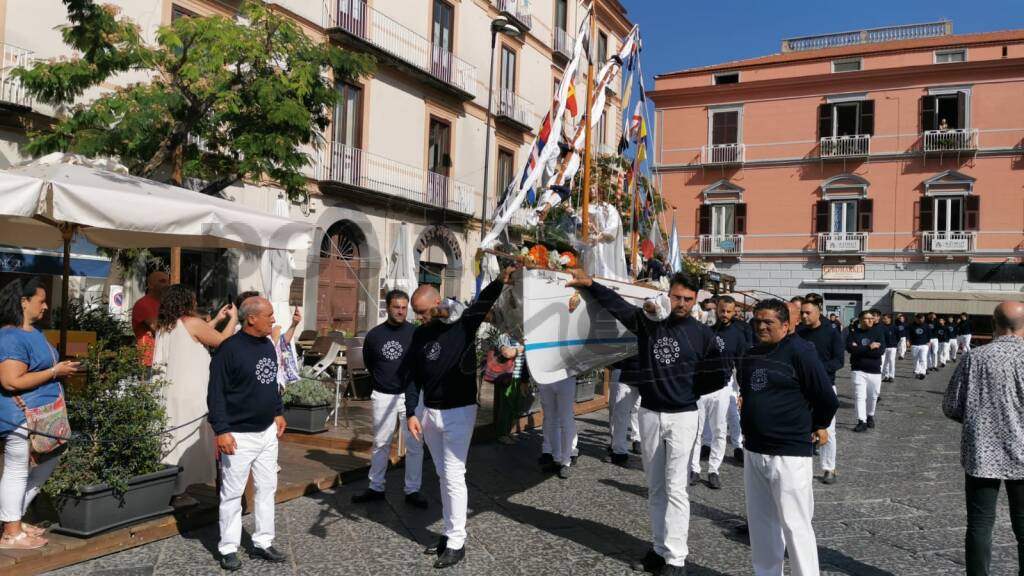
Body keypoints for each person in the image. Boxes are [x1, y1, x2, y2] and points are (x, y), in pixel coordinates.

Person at [567, 269, 726, 575]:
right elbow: (617, 305)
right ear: (670, 295)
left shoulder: (703, 334)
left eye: (688, 299)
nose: (681, 303)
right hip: (650, 413)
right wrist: (589, 284)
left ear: (695, 301)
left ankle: (676, 558)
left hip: (682, 417)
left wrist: (687, 392)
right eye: (677, 296)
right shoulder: (647, 324)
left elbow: (718, 374)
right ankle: (658, 548)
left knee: (676, 488)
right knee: (655, 487)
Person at [404, 267, 514, 569]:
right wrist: (411, 412)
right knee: (442, 473)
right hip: (429, 412)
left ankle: (456, 540)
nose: (420, 317)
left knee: (453, 474)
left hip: (459, 411)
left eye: (424, 312)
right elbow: (412, 376)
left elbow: (480, 305)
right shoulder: (420, 334)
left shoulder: (463, 325)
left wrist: (498, 282)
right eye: (417, 313)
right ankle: (450, 530)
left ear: (437, 304)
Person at [739, 299, 838, 576]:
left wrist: (816, 425)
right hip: (754, 449)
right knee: (761, 525)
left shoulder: (800, 352)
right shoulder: (750, 355)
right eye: (757, 321)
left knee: (796, 525)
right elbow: (748, 392)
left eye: (768, 322)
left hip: (789, 452)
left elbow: (827, 399)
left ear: (786, 325)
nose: (761, 326)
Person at [943, 301, 1024, 576]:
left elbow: (952, 406)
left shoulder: (976, 358)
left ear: (994, 324)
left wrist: (978, 421)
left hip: (981, 453)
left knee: (979, 524)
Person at [207, 297, 287, 571]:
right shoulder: (228, 350)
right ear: (252, 318)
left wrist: (277, 411)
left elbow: (271, 381)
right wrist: (221, 430)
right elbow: (215, 393)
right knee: (232, 493)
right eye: (270, 315)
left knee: (267, 488)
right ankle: (228, 547)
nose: (273, 319)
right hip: (238, 435)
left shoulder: (267, 345)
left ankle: (263, 541)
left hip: (266, 432)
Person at [0, 278, 79, 550]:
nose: (46, 306)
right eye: (41, 301)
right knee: (16, 470)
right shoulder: (10, 337)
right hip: (20, 415)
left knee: (46, 462)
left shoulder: (33, 332)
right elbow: (11, 381)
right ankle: (11, 532)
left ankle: (12, 519)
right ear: (23, 302)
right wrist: (55, 372)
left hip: (45, 415)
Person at [153, 285, 237, 503]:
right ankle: (180, 491)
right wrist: (233, 321)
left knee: (172, 437)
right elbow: (224, 343)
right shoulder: (192, 323)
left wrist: (217, 319)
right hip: (191, 391)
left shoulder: (166, 325)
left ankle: (171, 487)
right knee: (188, 439)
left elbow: (195, 335)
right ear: (186, 302)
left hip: (169, 390)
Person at [351, 290, 427, 508]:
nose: (401, 311)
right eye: (397, 307)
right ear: (388, 307)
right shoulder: (375, 335)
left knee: (414, 444)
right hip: (383, 394)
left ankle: (413, 490)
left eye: (404, 307)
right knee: (381, 443)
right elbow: (370, 362)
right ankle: (376, 486)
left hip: (410, 396)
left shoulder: (416, 333)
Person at [691, 295, 748, 489]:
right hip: (700, 388)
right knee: (696, 431)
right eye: (722, 310)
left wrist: (743, 392)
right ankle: (694, 468)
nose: (724, 314)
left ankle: (714, 469)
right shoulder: (705, 330)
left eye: (728, 311)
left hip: (722, 388)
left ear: (734, 312)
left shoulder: (738, 335)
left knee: (719, 431)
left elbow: (740, 366)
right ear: (716, 309)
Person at [797, 293, 845, 485]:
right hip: (802, 388)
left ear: (818, 311)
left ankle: (828, 467)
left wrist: (816, 370)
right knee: (803, 427)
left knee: (827, 429)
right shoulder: (799, 331)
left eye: (808, 313)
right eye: (802, 313)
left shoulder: (832, 331)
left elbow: (839, 360)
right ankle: (803, 467)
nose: (804, 317)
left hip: (825, 386)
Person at [847, 310, 884, 432]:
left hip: (874, 370)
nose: (870, 320)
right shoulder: (853, 334)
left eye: (871, 318)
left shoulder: (878, 333)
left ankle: (870, 415)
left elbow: (880, 352)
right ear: (861, 320)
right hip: (858, 370)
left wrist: (861, 350)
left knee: (873, 396)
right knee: (860, 396)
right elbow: (852, 350)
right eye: (867, 318)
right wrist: (869, 347)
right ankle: (861, 421)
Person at [581, 188, 628, 281]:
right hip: (588, 242)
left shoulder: (608, 208)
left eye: (594, 187)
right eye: (590, 187)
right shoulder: (585, 207)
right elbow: (579, 222)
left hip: (601, 243)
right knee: (588, 265)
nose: (591, 189)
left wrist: (600, 236)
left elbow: (613, 226)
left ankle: (602, 281)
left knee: (601, 264)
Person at [608, 354, 642, 466]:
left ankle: (637, 439)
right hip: (626, 374)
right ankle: (619, 451)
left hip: (645, 375)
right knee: (620, 414)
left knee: (639, 410)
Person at [131, 270, 169, 368]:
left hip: (164, 357)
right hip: (149, 360)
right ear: (150, 285)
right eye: (162, 281)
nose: (167, 285)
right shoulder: (143, 304)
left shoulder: (166, 304)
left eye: (168, 281)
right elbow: (158, 328)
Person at [909, 313, 932, 380]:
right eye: (920, 319)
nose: (921, 320)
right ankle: (917, 372)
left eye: (923, 318)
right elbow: (909, 334)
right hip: (914, 345)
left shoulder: (926, 326)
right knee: (915, 359)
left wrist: (929, 342)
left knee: (923, 358)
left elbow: (929, 334)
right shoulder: (911, 326)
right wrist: (908, 341)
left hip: (924, 345)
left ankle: (923, 372)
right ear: (916, 319)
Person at [880, 313, 898, 384]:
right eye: (883, 319)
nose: (883, 320)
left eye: (885, 318)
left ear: (889, 319)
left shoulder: (894, 327)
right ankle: (885, 376)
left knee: (891, 361)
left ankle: (891, 376)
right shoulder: (881, 327)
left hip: (892, 347)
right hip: (884, 347)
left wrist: (894, 343)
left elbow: (898, 336)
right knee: (883, 362)